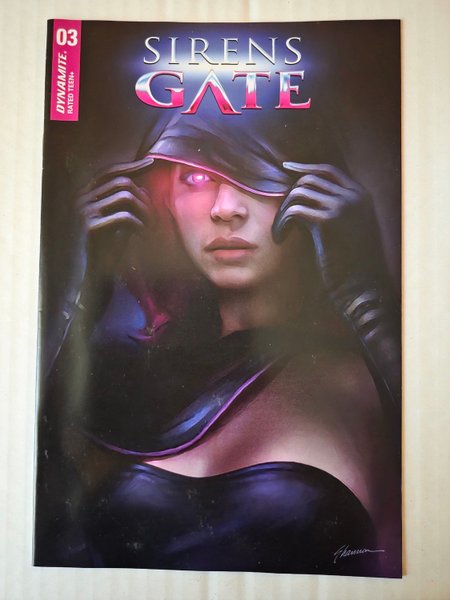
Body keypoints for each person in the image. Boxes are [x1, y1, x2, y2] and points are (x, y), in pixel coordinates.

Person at [35, 112, 401, 576]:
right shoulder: (122, 376)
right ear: (162, 203)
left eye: (259, 175)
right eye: (196, 178)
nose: (226, 208)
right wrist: (75, 297)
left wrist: (368, 303)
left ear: (318, 192)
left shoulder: (369, 371)